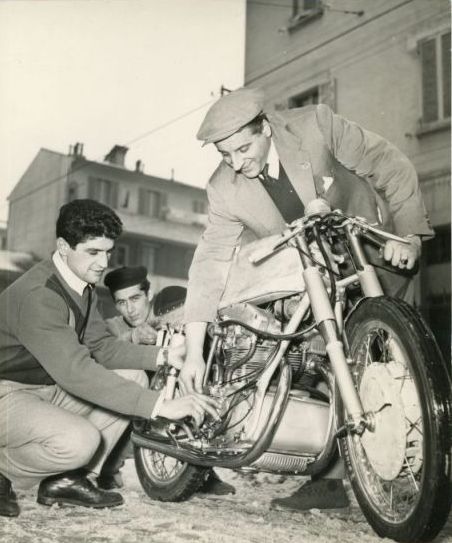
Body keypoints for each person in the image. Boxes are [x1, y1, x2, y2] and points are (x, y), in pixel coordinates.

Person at [179, 88, 433, 511]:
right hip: (311, 274)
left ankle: (423, 455)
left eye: (243, 149)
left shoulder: (315, 125)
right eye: (225, 155)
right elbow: (209, 263)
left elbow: (389, 163)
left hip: (374, 255)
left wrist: (408, 234)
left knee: (395, 360)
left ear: (265, 128)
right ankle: (330, 479)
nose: (236, 164)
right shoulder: (223, 188)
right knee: (324, 362)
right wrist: (192, 350)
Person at [0, 199, 220, 517]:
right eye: (93, 252)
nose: (103, 263)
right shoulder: (40, 295)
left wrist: (165, 355)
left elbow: (101, 347)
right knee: (79, 442)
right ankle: (5, 472)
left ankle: (69, 480)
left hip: (41, 388)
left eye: (108, 252)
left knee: (133, 377)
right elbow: (76, 371)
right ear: (63, 247)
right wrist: (161, 405)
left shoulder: (79, 283)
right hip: (7, 391)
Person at [103, 265, 235, 496]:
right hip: (138, 404)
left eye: (135, 298)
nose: (130, 309)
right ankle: (106, 467)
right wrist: (132, 336)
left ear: (148, 294)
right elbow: (101, 350)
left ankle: (200, 471)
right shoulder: (113, 327)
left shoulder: (167, 311)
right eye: (121, 302)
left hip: (172, 394)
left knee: (198, 382)